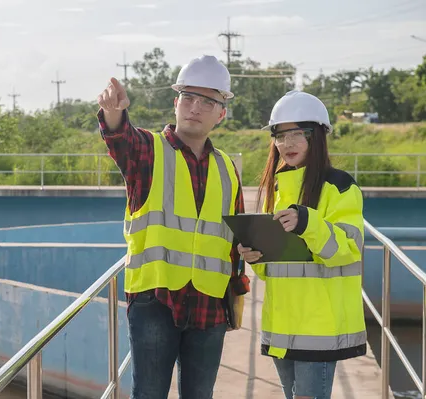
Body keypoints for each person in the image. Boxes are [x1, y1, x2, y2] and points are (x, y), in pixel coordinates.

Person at [96, 55, 248, 399]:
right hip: (156, 299)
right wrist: (114, 113)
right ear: (176, 103)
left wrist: (243, 268)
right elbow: (120, 138)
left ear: (221, 113)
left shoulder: (227, 169)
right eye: (189, 98)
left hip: (210, 303)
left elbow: (235, 237)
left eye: (208, 101)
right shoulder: (148, 150)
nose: (196, 107)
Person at [238, 90, 366, 399]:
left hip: (319, 326)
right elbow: (278, 269)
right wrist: (257, 256)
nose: (287, 144)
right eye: (280, 136)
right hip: (283, 323)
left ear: (318, 136)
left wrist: (308, 223)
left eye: (297, 134)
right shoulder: (281, 189)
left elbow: (349, 249)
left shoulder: (340, 186)